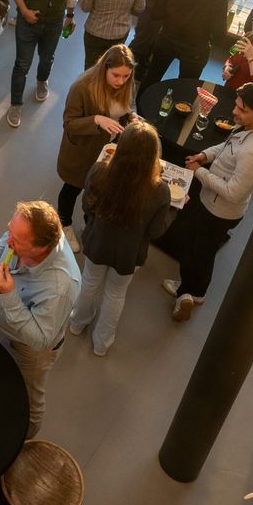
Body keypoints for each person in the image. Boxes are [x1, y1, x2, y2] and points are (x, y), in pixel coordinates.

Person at [160, 83, 253, 320]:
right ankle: (194, 289)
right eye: (237, 105)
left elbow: (233, 192)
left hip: (219, 211)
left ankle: (188, 294)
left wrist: (199, 171)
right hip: (210, 201)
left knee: (199, 253)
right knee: (198, 248)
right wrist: (206, 156)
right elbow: (227, 146)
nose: (235, 112)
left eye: (242, 109)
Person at [0, 202, 80, 438]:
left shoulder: (60, 287)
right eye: (11, 230)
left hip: (30, 351)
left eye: (17, 242)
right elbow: (8, 238)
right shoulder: (29, 229)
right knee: (5, 373)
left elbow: (40, 340)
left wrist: (8, 295)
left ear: (42, 248)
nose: (9, 241)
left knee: (30, 398)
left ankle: (22, 438)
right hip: (11, 333)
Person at [67, 122, 175, 357]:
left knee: (89, 282)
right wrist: (173, 212)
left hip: (98, 242)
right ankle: (101, 344)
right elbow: (155, 232)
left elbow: (87, 205)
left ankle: (77, 324)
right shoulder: (160, 191)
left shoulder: (99, 171)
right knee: (115, 294)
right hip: (130, 253)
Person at [7, 0, 79, 128]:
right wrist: (25, 11)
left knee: (47, 58)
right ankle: (15, 104)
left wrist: (70, 14)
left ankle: (42, 80)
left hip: (55, 21)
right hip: (29, 22)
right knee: (22, 64)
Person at [56, 44, 136, 226]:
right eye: (116, 75)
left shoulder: (126, 84)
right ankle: (65, 225)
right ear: (104, 68)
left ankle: (89, 223)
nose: (121, 81)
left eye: (126, 76)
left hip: (107, 150)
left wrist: (131, 116)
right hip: (83, 151)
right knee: (72, 189)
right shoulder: (82, 87)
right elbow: (69, 124)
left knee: (97, 189)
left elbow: (124, 108)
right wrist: (97, 120)